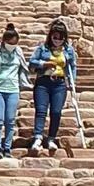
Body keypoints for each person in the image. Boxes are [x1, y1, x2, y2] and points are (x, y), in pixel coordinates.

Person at [28, 17, 77, 155]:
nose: (57, 40)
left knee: (56, 111)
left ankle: (51, 138)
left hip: (59, 83)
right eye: (55, 37)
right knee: (41, 110)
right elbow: (31, 62)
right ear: (51, 36)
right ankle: (38, 137)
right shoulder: (42, 49)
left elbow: (72, 66)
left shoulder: (68, 50)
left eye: (61, 38)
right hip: (43, 82)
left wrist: (72, 82)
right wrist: (44, 64)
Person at [0, 23, 30, 160]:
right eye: (10, 44)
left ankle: (7, 146)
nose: (12, 46)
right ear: (4, 41)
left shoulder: (18, 51)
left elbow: (22, 68)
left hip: (13, 89)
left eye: (14, 44)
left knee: (10, 119)